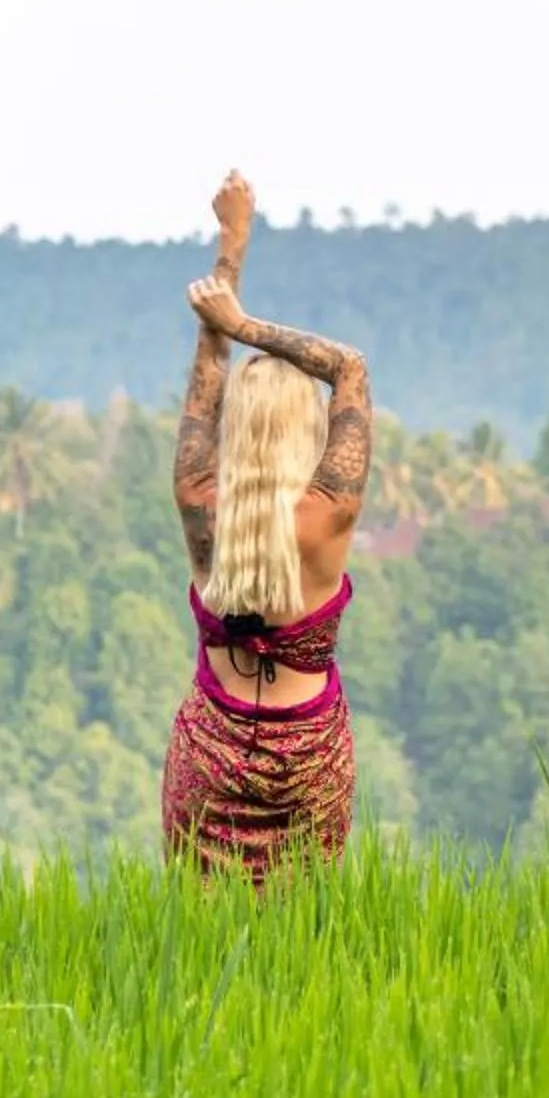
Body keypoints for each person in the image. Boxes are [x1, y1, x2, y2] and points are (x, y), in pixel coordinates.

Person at [160, 171, 375, 880]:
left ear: (237, 431)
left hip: (210, 753)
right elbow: (350, 368)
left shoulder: (200, 502)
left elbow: (204, 391)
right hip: (310, 757)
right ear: (303, 431)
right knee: (309, 950)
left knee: (192, 949)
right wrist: (245, 325)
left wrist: (231, 251)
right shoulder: (327, 517)